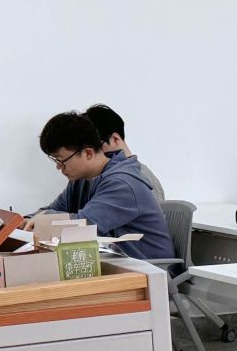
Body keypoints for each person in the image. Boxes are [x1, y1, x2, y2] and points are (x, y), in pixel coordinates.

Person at [37, 111, 173, 260]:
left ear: (88, 153)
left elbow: (84, 225)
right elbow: (52, 210)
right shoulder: (79, 181)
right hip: (116, 265)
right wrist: (26, 220)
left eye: (61, 160)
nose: (58, 167)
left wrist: (40, 221)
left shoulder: (123, 184)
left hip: (150, 268)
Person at [84, 103, 164, 200]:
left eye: (95, 148)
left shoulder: (139, 180)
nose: (90, 156)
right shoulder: (96, 178)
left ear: (115, 139)